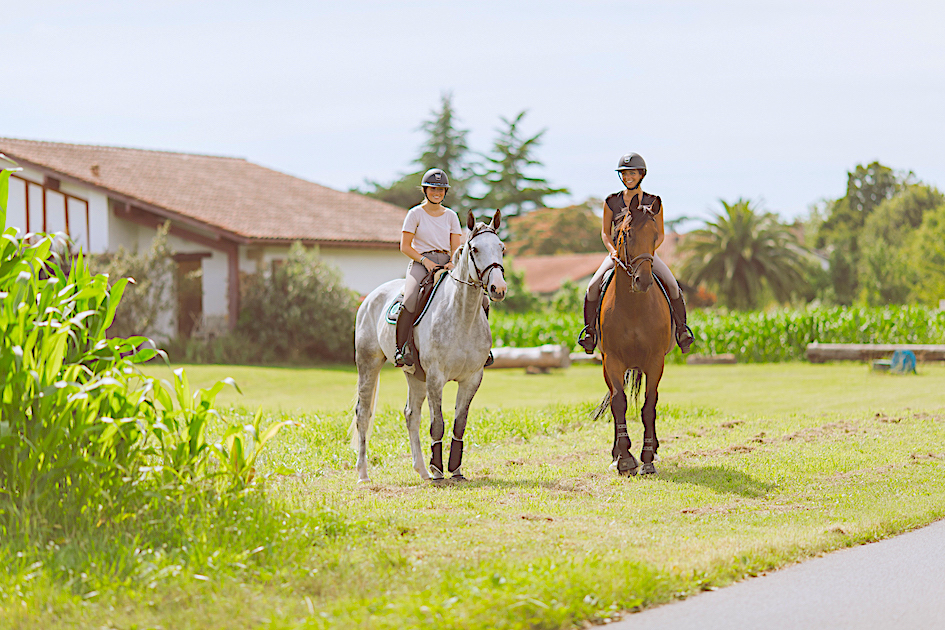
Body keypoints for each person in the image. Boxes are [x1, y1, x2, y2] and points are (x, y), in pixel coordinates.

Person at [577, 152, 694, 354]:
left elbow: (661, 234)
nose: (627, 177)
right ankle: (590, 333)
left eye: (632, 173)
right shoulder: (611, 201)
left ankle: (682, 331)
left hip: (646, 256)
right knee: (592, 287)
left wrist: (647, 253)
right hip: (618, 256)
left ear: (641, 174)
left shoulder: (653, 201)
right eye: (624, 173)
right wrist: (613, 251)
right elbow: (605, 233)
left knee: (673, 286)